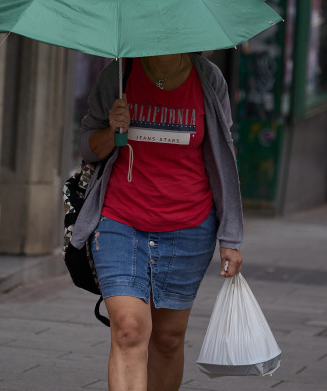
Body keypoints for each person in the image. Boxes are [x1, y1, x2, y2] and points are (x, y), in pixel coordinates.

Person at [71, 52, 243, 391]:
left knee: (168, 338)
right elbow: (88, 147)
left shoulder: (208, 79)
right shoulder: (119, 75)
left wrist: (231, 236)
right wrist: (113, 130)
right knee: (128, 329)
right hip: (120, 219)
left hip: (189, 226)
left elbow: (223, 155)